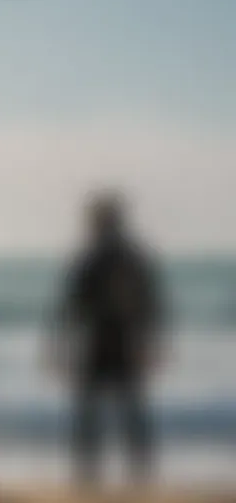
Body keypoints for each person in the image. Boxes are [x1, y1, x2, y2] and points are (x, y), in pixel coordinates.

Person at [46, 190, 168, 486]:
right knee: (130, 410)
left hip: (100, 341)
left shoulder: (90, 258)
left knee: (92, 411)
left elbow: (69, 307)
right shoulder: (134, 257)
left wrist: (58, 345)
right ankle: (140, 472)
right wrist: (152, 342)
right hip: (124, 341)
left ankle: (89, 473)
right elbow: (152, 305)